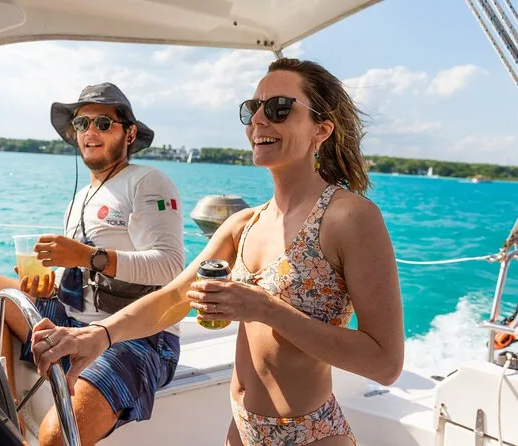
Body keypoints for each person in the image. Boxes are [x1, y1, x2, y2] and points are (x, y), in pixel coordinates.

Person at [29, 58, 405, 446]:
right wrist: (99, 336)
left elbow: (385, 363)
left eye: (279, 108)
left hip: (312, 435)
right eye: (252, 108)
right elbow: (174, 298)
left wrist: (265, 308)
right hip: (241, 429)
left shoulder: (350, 217)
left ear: (321, 129)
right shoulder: (244, 224)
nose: (258, 120)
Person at [0, 82, 185, 446]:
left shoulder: (148, 182)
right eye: (82, 124)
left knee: (55, 437)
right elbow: (84, 274)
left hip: (139, 335)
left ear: (129, 134)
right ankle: (7, 420)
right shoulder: (80, 198)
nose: (90, 131)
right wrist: (51, 284)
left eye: (103, 123)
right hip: (75, 320)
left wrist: (85, 256)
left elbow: (170, 266)